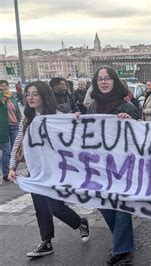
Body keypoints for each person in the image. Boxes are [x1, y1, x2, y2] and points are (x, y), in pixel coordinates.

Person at [8, 81, 90, 257]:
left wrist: (76, 120)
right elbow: (18, 141)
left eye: (35, 94)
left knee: (56, 208)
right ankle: (46, 242)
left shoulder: (56, 115)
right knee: (41, 209)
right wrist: (12, 166)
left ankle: (80, 222)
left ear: (44, 95)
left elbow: (73, 135)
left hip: (54, 171)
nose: (30, 97)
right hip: (35, 171)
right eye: (28, 94)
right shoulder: (27, 118)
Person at [88, 66, 140, 265]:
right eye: (100, 79)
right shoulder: (93, 107)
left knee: (121, 208)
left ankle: (122, 249)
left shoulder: (128, 107)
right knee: (104, 206)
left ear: (114, 81)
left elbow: (140, 136)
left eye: (107, 78)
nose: (103, 82)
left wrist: (131, 122)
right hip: (100, 165)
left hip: (123, 166)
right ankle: (123, 241)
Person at [0, 80, 21, 181]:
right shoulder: (2, 98)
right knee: (7, 151)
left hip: (14, 126)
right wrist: (3, 98)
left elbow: (17, 111)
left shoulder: (13, 98)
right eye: (2, 86)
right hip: (3, 128)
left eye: (6, 85)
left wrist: (21, 122)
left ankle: (13, 171)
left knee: (14, 151)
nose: (4, 87)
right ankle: (5, 173)